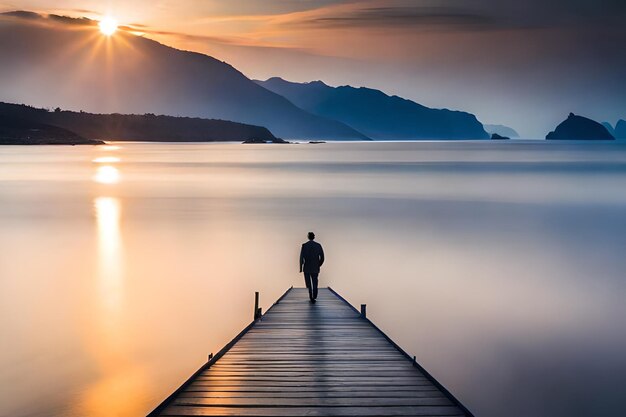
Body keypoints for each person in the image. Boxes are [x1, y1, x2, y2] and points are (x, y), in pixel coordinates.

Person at [299, 232, 325, 303]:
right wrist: (319, 264)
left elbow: (301, 257)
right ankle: (315, 295)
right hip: (315, 267)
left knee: (308, 283)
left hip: (307, 267)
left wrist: (301, 267)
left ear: (308, 237)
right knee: (315, 281)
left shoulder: (304, 245)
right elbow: (322, 257)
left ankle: (311, 295)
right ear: (314, 237)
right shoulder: (318, 245)